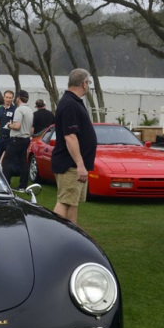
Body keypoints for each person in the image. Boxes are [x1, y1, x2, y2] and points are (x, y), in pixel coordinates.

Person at [52, 68, 97, 225]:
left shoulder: (73, 102)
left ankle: (72, 236)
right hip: (69, 165)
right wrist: (80, 164)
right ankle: (55, 236)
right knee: (64, 202)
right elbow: (70, 136)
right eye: (89, 83)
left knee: (72, 202)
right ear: (84, 84)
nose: (89, 86)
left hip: (73, 165)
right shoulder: (70, 104)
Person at [2, 90, 33, 189]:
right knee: (23, 162)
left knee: (6, 161)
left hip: (17, 139)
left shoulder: (19, 110)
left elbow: (17, 126)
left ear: (18, 98)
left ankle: (6, 184)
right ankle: (23, 185)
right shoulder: (29, 110)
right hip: (26, 138)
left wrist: (9, 125)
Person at [0, 90, 15, 163]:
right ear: (4, 98)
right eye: (7, 97)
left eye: (10, 98)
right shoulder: (0, 109)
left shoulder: (15, 110)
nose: (8, 99)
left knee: (7, 162)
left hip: (10, 139)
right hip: (0, 138)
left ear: (12, 98)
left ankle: (4, 174)